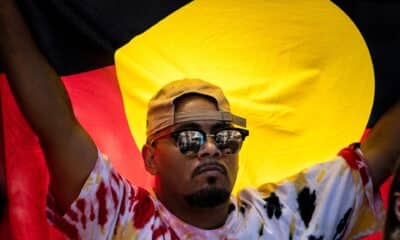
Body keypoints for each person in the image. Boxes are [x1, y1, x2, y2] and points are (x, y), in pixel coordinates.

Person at [1, 1, 400, 239]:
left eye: (225, 136)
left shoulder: (288, 219)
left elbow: (379, 151)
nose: (211, 148)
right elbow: (55, 124)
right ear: (150, 157)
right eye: (189, 138)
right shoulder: (118, 219)